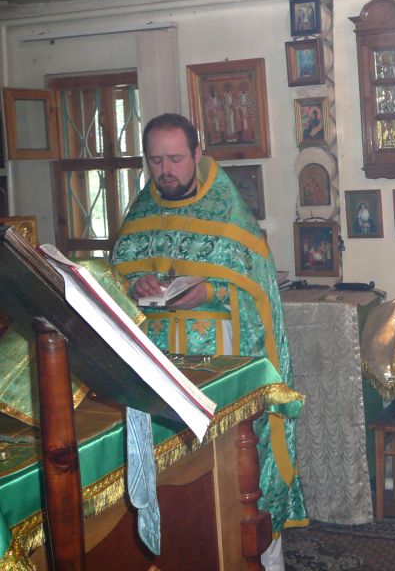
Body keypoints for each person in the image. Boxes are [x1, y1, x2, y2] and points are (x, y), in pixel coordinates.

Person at [111, 113, 308, 570]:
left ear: (197, 154)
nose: (165, 170)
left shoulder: (229, 213)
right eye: (155, 160)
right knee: (175, 484)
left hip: (220, 373)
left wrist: (213, 292)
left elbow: (259, 292)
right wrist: (136, 285)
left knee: (238, 478)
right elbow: (115, 281)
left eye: (175, 159)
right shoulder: (139, 215)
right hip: (159, 376)